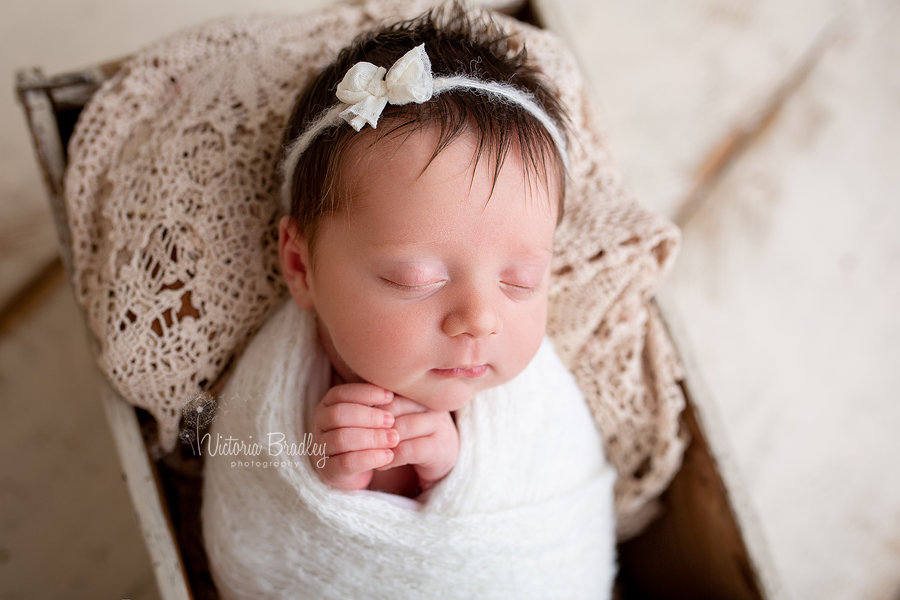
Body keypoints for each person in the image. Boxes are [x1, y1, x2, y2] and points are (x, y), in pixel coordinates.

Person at [202, 5, 617, 598]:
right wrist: (330, 476)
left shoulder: (533, 409)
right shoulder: (274, 399)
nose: (480, 318)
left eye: (521, 280)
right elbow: (270, 510)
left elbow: (533, 503)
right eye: (415, 278)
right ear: (300, 267)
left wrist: (452, 467)